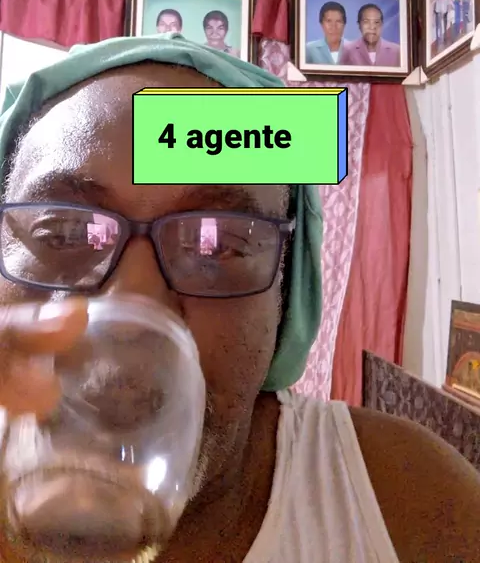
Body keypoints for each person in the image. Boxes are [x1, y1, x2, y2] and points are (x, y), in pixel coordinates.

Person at [0, 35, 479, 563]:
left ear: (287, 299)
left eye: (218, 245)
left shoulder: (412, 510)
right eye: (65, 233)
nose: (134, 315)